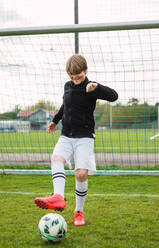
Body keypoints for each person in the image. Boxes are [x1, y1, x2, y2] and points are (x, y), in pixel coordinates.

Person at [34, 54, 118, 226]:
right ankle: (58, 197)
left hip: (84, 137)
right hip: (66, 134)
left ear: (85, 71)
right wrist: (55, 120)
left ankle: (79, 212)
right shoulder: (67, 86)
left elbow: (114, 96)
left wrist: (97, 87)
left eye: (78, 76)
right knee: (56, 159)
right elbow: (65, 105)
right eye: (72, 76)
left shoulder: (91, 86)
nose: (75, 79)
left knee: (81, 174)